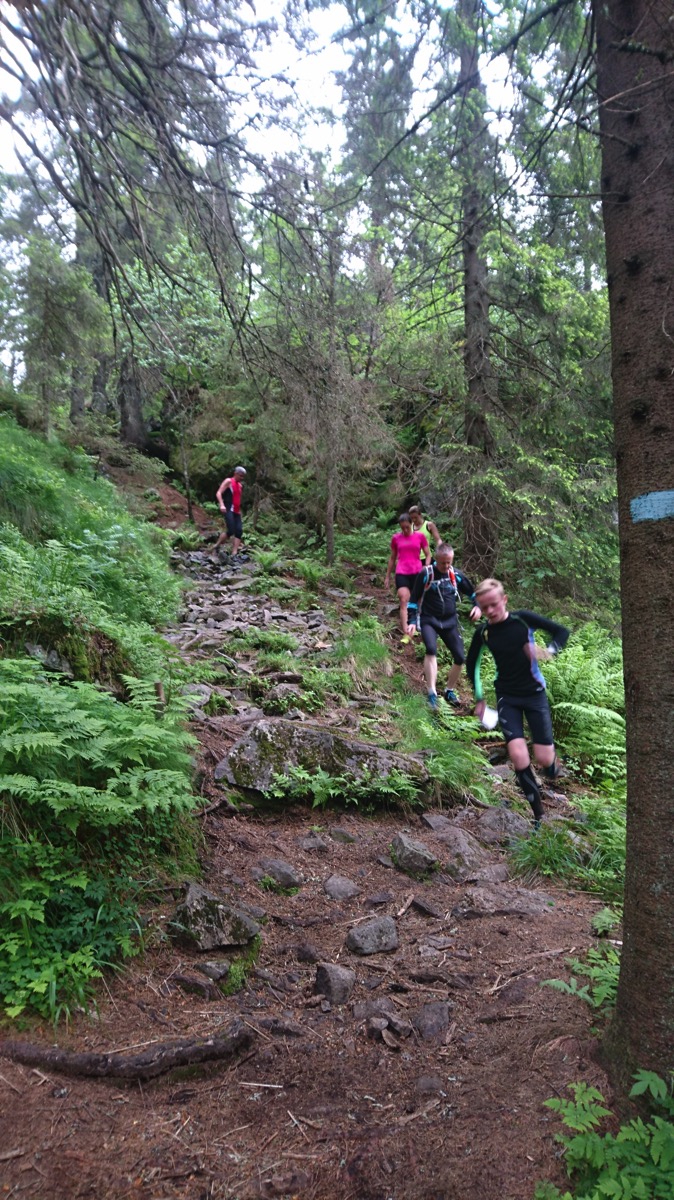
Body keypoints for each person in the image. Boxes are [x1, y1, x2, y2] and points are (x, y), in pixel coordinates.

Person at [466, 578, 570, 827]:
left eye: (494, 604)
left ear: (504, 600)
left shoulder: (523, 619)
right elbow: (472, 665)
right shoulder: (483, 633)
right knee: (518, 755)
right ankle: (539, 817)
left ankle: (552, 765)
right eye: (484, 607)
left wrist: (548, 651)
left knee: (543, 758)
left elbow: (561, 632)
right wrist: (479, 698)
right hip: (507, 696)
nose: (490, 611)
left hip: (534, 694)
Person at [409, 543, 481, 710]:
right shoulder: (426, 574)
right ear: (436, 559)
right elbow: (413, 600)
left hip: (449, 622)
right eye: (443, 563)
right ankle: (432, 693)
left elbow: (473, 594)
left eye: (449, 562)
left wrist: (477, 607)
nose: (446, 566)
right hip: (429, 620)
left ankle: (449, 690)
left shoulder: (456, 575)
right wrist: (411, 621)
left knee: (460, 657)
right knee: (431, 650)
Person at [384, 512, 430, 635]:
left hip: (417, 572)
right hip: (402, 572)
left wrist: (426, 567)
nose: (405, 530)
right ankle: (406, 631)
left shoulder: (420, 537)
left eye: (407, 527)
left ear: (412, 524)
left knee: (418, 600)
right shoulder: (396, 538)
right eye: (402, 527)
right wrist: (387, 576)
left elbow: (428, 554)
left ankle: (418, 623)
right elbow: (392, 558)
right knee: (404, 599)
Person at [212, 466, 246, 559]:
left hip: (236, 511)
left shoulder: (240, 486)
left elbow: (238, 499)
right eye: (240, 475)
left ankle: (234, 553)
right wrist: (221, 504)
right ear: (235, 473)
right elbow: (219, 493)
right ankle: (217, 545)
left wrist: (240, 511)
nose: (242, 478)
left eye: (243, 476)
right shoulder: (229, 481)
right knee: (231, 530)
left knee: (239, 531)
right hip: (228, 508)